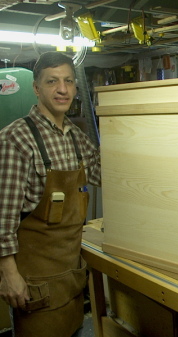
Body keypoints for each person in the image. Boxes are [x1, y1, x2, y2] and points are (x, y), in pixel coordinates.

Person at [0, 51, 101, 337]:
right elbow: (2, 218)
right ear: (36, 87)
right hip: (34, 283)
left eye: (69, 81)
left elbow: (102, 175)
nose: (63, 89)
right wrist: (9, 276)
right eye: (52, 81)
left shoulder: (76, 137)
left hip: (70, 276)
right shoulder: (16, 139)